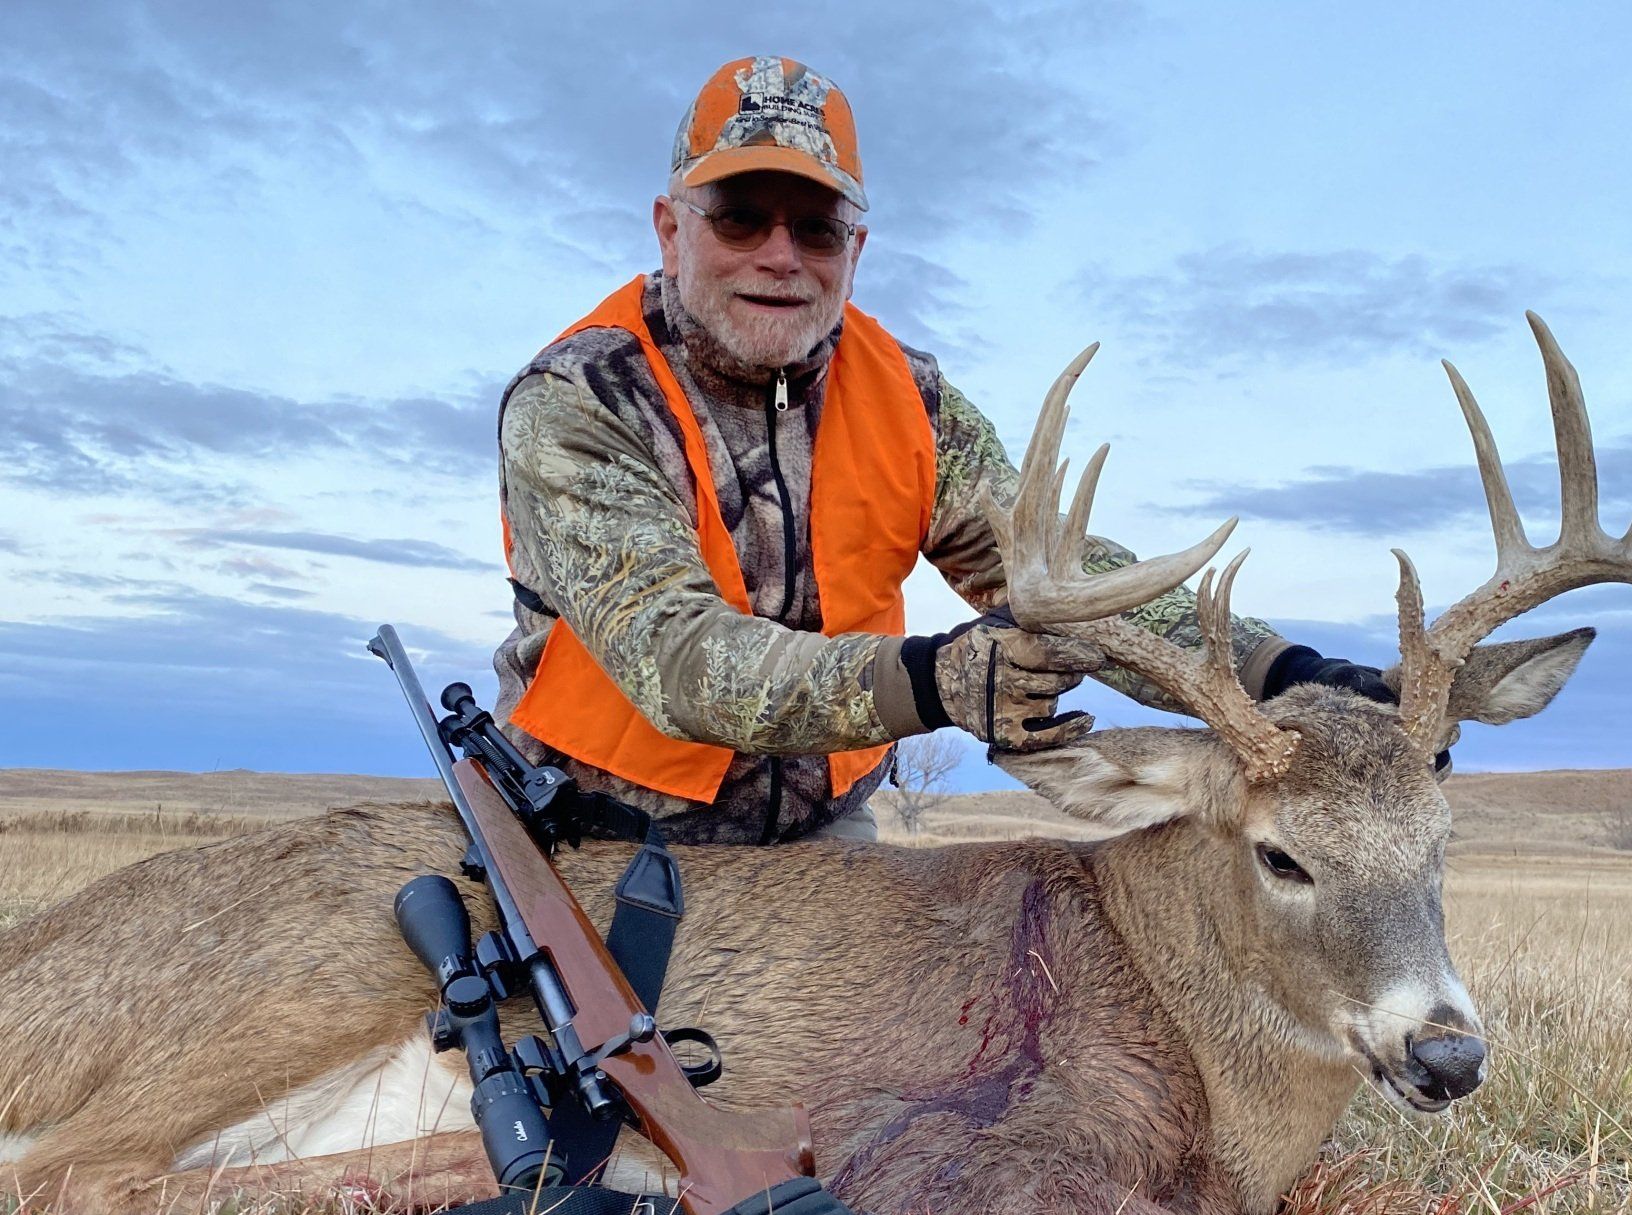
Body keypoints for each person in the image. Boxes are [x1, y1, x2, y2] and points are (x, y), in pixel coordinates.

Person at [492, 55, 1394, 846]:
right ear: (669, 227)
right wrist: (942, 682)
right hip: (597, 840)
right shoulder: (581, 401)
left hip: (822, 837)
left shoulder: (909, 399)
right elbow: (679, 660)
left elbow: (1060, 580)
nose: (780, 256)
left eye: (817, 228)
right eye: (738, 218)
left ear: (856, 248)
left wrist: (1283, 673)